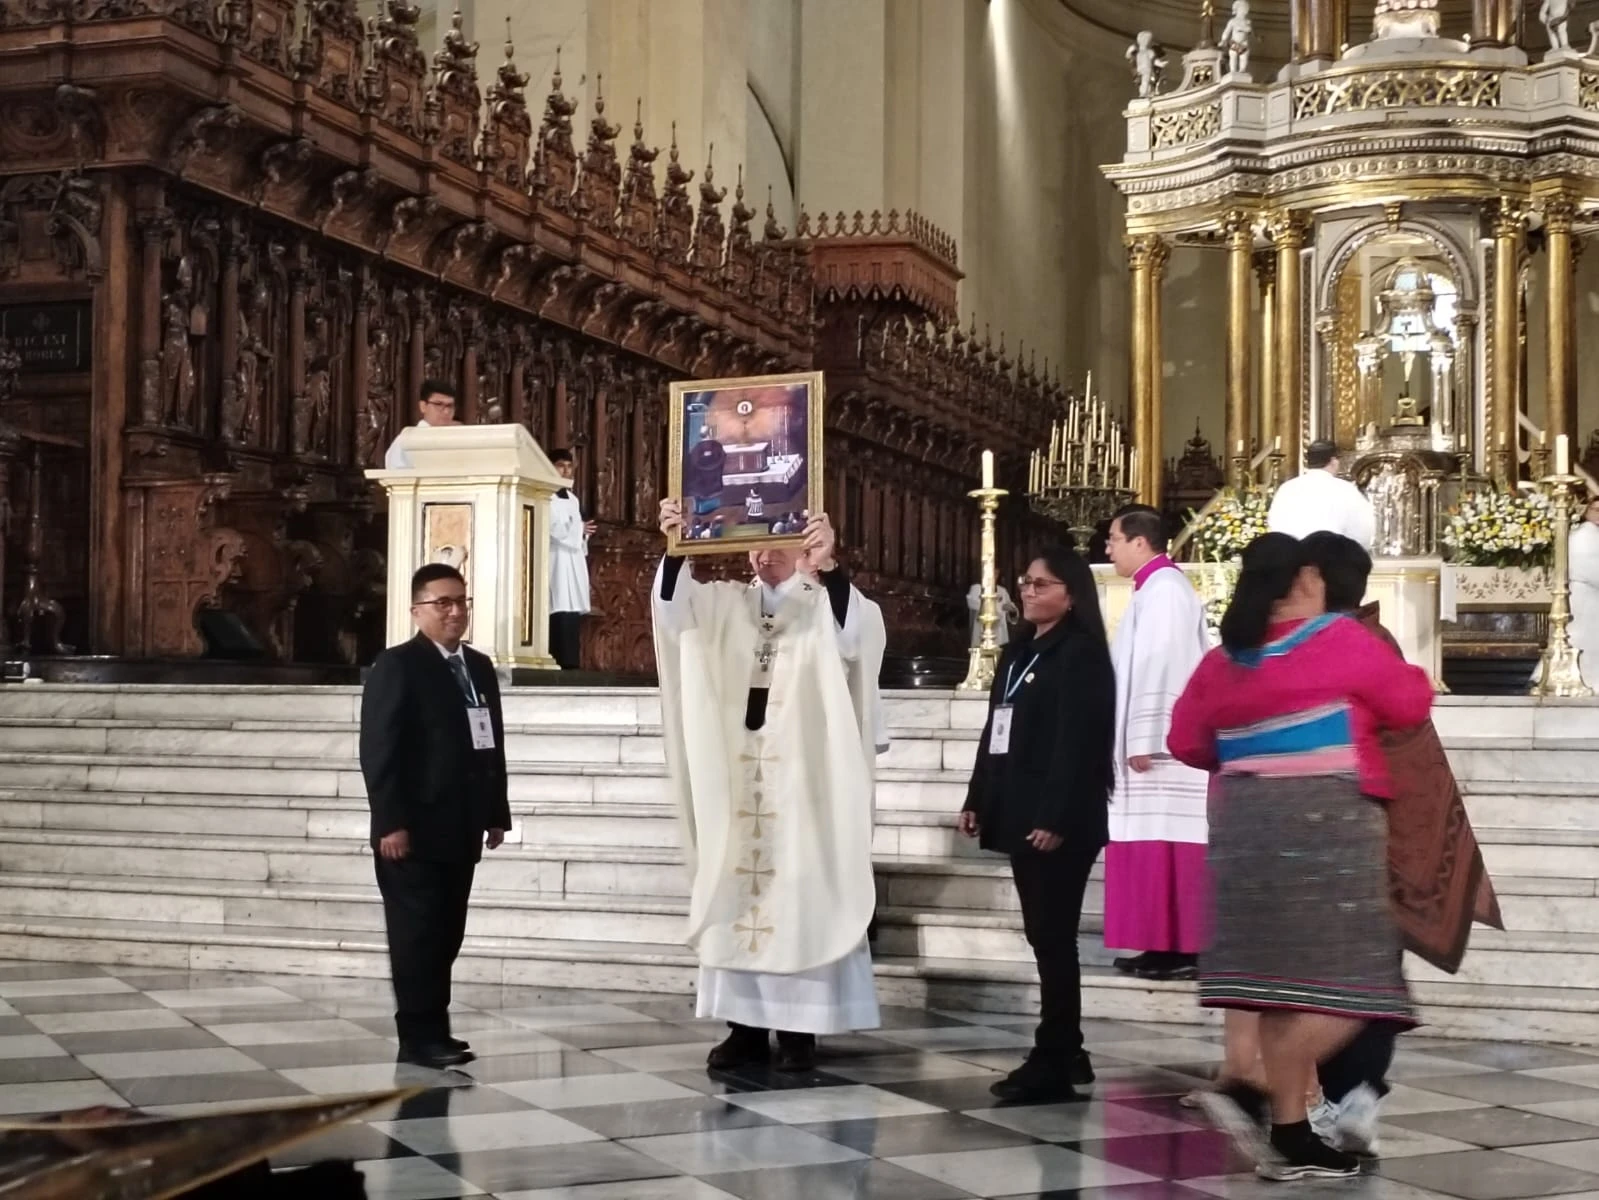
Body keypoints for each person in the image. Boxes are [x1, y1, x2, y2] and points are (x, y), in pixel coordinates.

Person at [1168, 533, 1433, 1180]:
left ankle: (1289, 1132)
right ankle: (1249, 1090)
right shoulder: (1339, 640)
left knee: (1279, 992)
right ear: (1307, 580)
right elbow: (1409, 702)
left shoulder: (1221, 660)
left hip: (1242, 830)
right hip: (1328, 830)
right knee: (1363, 987)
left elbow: (1183, 740)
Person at [653, 498, 886, 1073]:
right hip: (740, 784)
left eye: (776, 544)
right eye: (753, 545)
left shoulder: (823, 605)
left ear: (804, 544)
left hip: (806, 787)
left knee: (804, 892)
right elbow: (673, 612)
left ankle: (800, 1028)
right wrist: (677, 547)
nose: (762, 556)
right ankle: (745, 1027)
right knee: (739, 891)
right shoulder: (727, 604)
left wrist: (829, 571)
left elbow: (855, 639)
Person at [1301, 531, 1503, 1157]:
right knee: (1369, 966)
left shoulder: (1332, 648)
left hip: (1350, 829)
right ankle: (1356, 1092)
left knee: (1343, 971)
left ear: (1312, 582)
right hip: (1379, 827)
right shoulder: (1375, 643)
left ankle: (1349, 1094)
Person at [959, 546, 1115, 1103]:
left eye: (1042, 585)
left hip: (1059, 819)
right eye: (1026, 582)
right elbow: (993, 730)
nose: (1028, 591)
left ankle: (1053, 1054)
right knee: (1043, 935)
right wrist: (977, 796)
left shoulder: (1081, 654)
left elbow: (1079, 747)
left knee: (1053, 938)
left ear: (1071, 594)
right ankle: (1069, 1052)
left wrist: (1056, 817)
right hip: (1017, 806)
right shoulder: (1019, 651)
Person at [359, 563, 510, 1069]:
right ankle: (418, 1036)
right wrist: (389, 823)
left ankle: (436, 1029)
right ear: (416, 610)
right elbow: (379, 750)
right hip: (414, 830)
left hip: (460, 825)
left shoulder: (478, 666)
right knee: (416, 935)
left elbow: (491, 744)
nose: (454, 611)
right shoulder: (398, 665)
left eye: (461, 601)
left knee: (447, 932)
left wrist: (495, 813)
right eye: (442, 603)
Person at [1103, 504, 1211, 981]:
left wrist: (1146, 735)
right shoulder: (1156, 588)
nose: (1108, 549)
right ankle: (1159, 944)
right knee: (1151, 845)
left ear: (1140, 542)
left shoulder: (1166, 590)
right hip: (1152, 750)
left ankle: (1183, 948)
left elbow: (1163, 664)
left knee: (1170, 846)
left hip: (1161, 753)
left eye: (1113, 539)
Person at [1266, 438, 1376, 549]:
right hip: (1334, 558)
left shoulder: (1287, 488)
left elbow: (1276, 525)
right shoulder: (1346, 490)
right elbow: (1363, 528)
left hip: (1295, 557)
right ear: (1333, 461)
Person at [548, 447, 595, 670]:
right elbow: (552, 528)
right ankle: (558, 658)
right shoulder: (545, 495)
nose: (566, 471)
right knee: (558, 605)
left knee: (571, 608)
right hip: (556, 560)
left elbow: (576, 531)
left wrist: (583, 532)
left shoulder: (574, 499)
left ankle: (571, 661)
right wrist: (579, 528)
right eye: (561, 466)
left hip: (572, 560)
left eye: (569, 466)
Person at [384, 379, 459, 469]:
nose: (446, 411)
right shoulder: (406, 441)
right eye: (439, 404)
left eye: (450, 406)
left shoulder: (460, 439)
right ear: (423, 406)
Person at [1568, 497, 1599, 689]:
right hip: (1585, 595)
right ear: (1586, 512)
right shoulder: (1583, 535)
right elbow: (1589, 568)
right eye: (1595, 510)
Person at [966, 582, 1020, 648]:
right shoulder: (977, 588)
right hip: (982, 633)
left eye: (996, 572)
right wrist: (1000, 608)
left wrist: (1012, 611)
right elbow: (974, 604)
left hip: (1000, 636)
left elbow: (1010, 614)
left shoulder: (1002, 590)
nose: (994, 574)